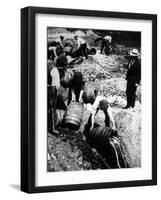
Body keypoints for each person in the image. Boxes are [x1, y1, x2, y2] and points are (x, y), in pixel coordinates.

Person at [47, 60, 60, 133]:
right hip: (50, 90)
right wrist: (54, 95)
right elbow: (55, 85)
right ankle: (52, 129)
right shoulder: (54, 69)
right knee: (52, 109)